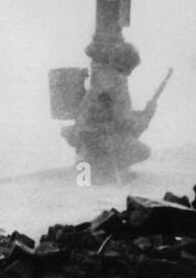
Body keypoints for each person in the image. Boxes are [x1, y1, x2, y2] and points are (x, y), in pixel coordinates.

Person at [63, 39, 153, 181]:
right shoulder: (118, 85)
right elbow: (124, 122)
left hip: (83, 138)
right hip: (102, 140)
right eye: (130, 68)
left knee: (82, 185)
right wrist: (146, 117)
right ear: (125, 65)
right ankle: (107, 173)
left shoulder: (98, 80)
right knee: (143, 151)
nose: (130, 73)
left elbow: (89, 112)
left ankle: (83, 178)